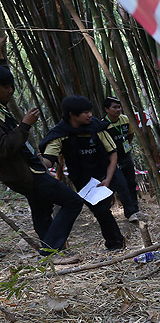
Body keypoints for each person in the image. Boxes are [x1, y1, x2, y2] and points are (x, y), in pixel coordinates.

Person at [0, 66, 83, 262]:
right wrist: (25, 125)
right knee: (73, 201)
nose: (11, 90)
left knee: (42, 209)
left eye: (11, 86)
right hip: (25, 175)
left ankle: (53, 255)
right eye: (6, 87)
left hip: (30, 170)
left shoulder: (2, 109)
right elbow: (3, 148)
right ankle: (49, 251)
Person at [40, 95, 125, 251]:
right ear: (72, 114)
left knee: (102, 209)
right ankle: (115, 242)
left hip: (105, 173)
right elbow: (48, 159)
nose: (90, 115)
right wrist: (35, 162)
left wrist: (107, 179)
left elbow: (113, 153)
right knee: (99, 211)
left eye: (90, 111)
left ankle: (116, 243)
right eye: (85, 112)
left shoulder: (97, 127)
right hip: (83, 180)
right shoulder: (60, 134)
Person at [99, 96, 141, 222]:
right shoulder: (103, 125)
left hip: (125, 156)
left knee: (131, 182)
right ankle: (130, 213)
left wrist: (126, 147)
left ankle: (135, 209)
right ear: (107, 109)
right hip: (112, 160)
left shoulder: (125, 119)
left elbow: (130, 134)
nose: (118, 110)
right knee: (121, 185)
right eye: (115, 107)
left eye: (119, 107)